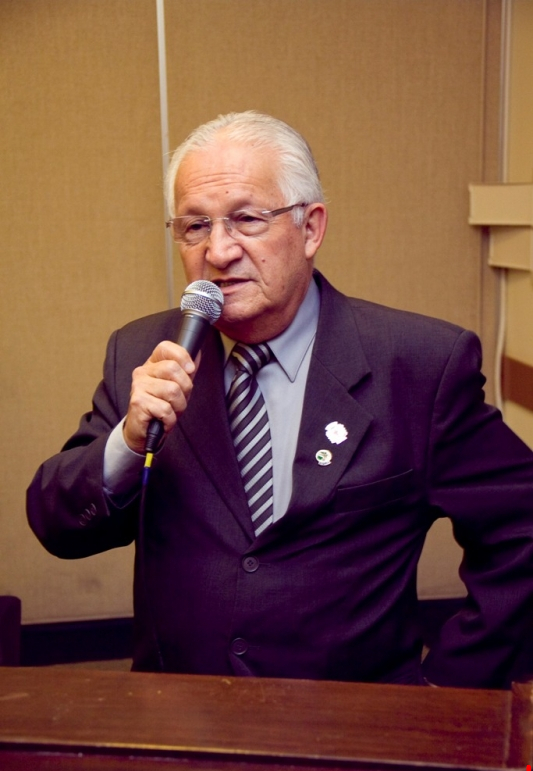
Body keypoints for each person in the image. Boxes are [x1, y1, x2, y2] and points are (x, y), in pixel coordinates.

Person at [27, 111, 533, 688]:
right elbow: (57, 524)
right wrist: (128, 440)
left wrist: (450, 691)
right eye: (195, 226)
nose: (218, 250)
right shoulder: (144, 353)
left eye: (247, 219)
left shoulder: (419, 363)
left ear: (310, 228)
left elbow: (522, 529)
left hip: (357, 723)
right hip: (180, 717)